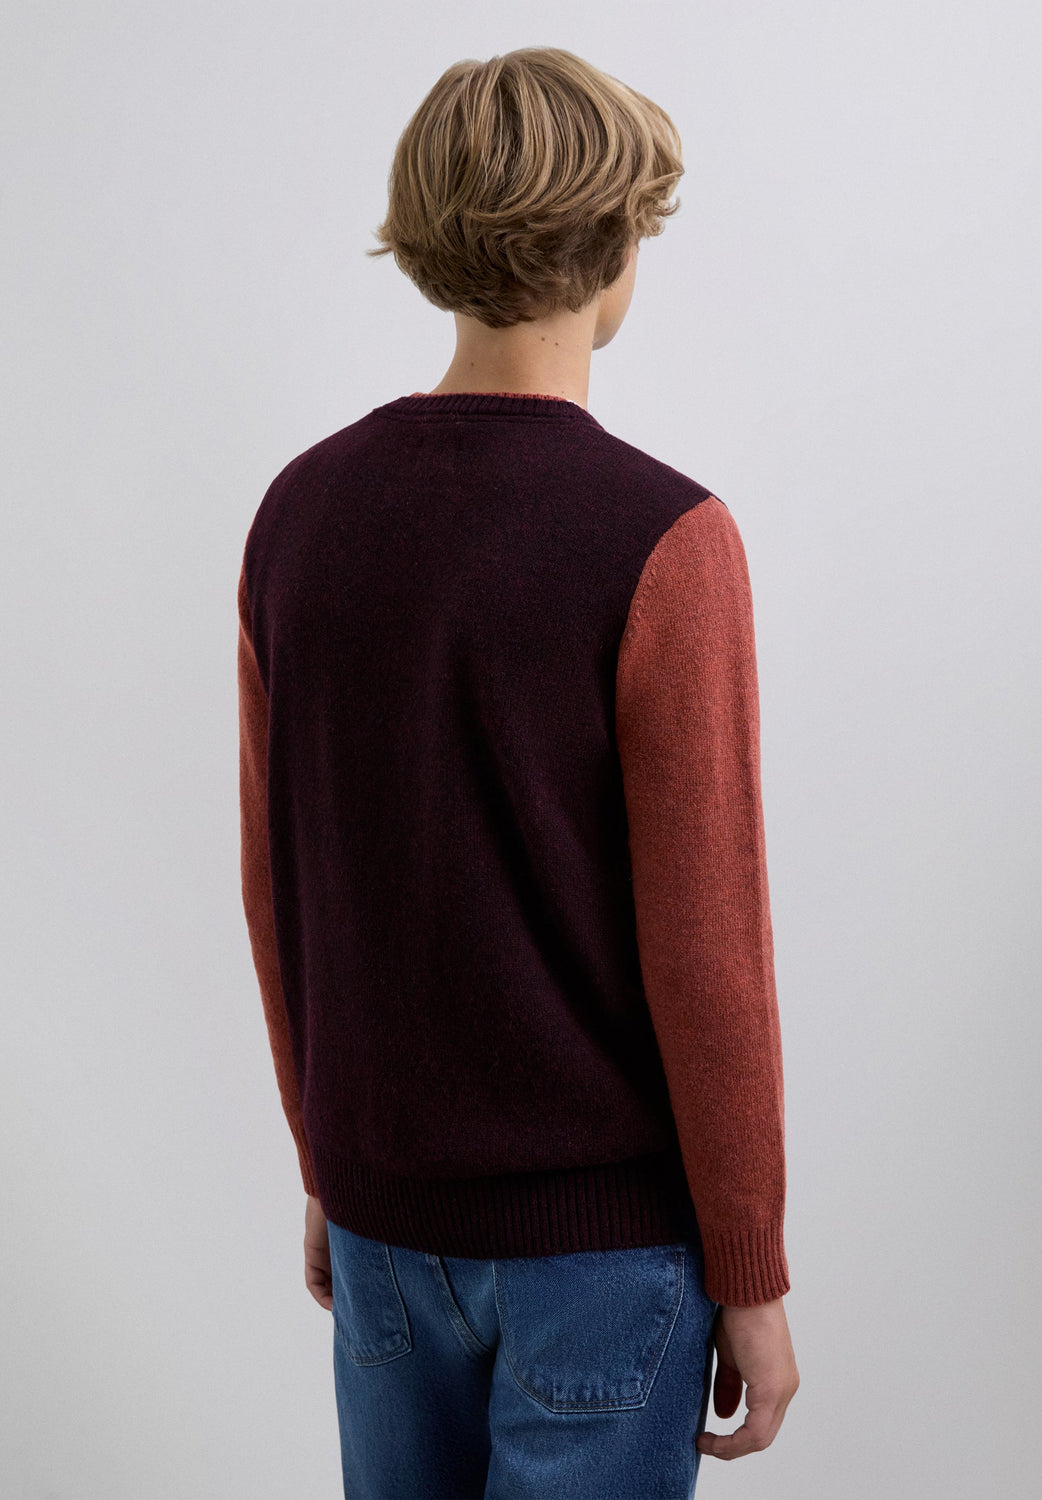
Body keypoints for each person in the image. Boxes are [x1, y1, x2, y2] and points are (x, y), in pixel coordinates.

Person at [237, 45, 799, 1499]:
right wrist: (749, 1265)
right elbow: (707, 950)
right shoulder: (666, 539)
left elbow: (282, 886)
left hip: (381, 1224)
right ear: (614, 254)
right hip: (601, 1253)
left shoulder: (299, 517)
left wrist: (326, 1161)